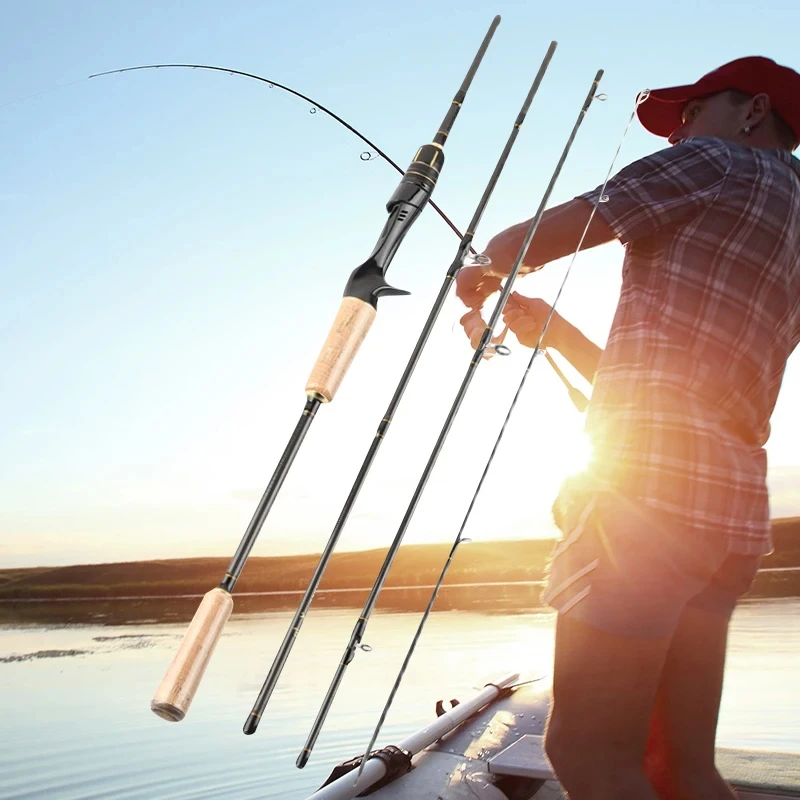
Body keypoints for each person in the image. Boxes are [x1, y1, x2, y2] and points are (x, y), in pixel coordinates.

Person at [456, 56, 800, 800]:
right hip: (729, 512)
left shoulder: (716, 160)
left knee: (587, 753)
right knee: (684, 766)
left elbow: (527, 243)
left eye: (690, 113)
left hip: (645, 502)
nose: (677, 135)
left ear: (751, 112)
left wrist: (481, 267)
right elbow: (683, 384)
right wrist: (557, 334)